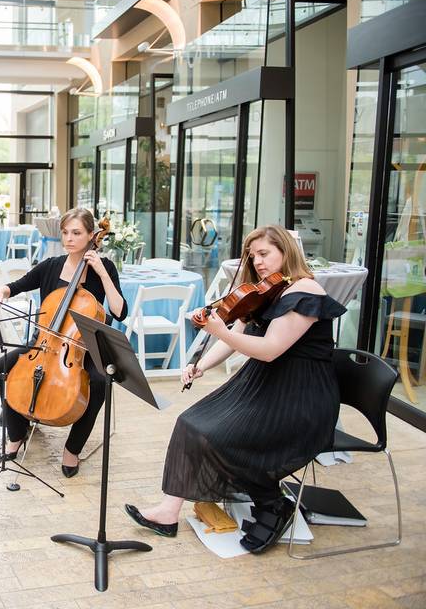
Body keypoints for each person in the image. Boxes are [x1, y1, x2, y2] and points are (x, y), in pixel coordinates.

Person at [124, 225, 344, 554]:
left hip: (300, 395)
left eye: (264, 254)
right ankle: (168, 512)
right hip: (266, 385)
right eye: (252, 256)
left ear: (286, 251)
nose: (257, 261)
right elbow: (234, 336)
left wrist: (218, 330)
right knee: (191, 423)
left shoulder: (306, 291)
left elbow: (269, 348)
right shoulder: (265, 291)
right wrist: (200, 366)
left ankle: (272, 503)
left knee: (222, 436)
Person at [0, 207, 127, 477]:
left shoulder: (105, 268)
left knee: (99, 383)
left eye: (76, 233)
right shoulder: (52, 265)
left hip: (84, 346)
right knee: (1, 367)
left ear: (92, 235)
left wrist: (101, 272)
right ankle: (17, 433)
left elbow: (119, 311)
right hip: (47, 342)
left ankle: (72, 449)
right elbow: (18, 284)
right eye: (65, 232)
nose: (69, 238)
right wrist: (4, 290)